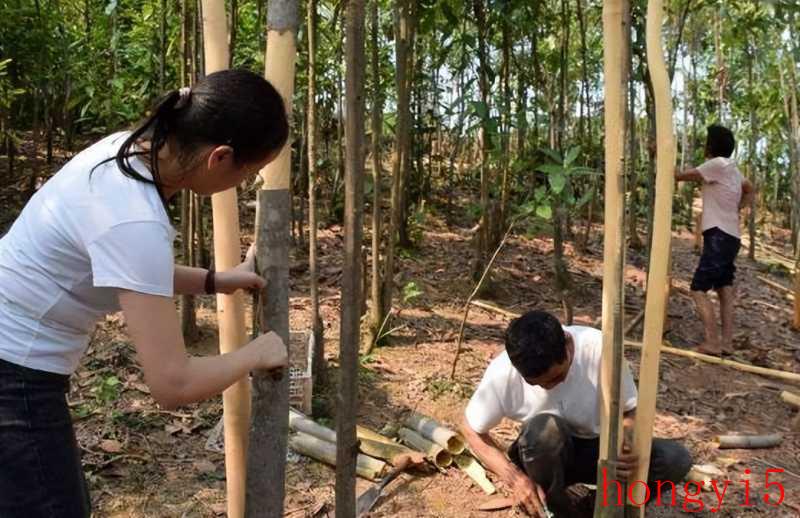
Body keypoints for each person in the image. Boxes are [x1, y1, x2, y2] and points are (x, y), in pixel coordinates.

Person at [0, 69, 290, 517]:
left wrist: (215, 280)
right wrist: (256, 352)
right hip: (13, 374)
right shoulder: (135, 218)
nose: (245, 183)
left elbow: (126, 268)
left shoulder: (125, 151)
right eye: (249, 172)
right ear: (220, 158)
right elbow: (172, 384)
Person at [461, 311, 692, 518]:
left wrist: (627, 441)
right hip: (541, 456)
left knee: (675, 459)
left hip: (599, 451)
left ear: (569, 345)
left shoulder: (599, 350)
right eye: (538, 384)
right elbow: (470, 428)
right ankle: (557, 511)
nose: (549, 387)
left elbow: (629, 408)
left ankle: (597, 507)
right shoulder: (503, 373)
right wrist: (515, 479)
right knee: (546, 429)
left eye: (556, 378)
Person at [676, 124, 754, 356]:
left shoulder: (716, 164)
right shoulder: (732, 168)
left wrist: (660, 153)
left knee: (698, 289)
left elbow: (680, 176)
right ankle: (727, 343)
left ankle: (712, 341)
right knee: (724, 289)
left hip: (718, 235)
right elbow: (750, 189)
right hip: (731, 236)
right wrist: (737, 208)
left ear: (711, 146)